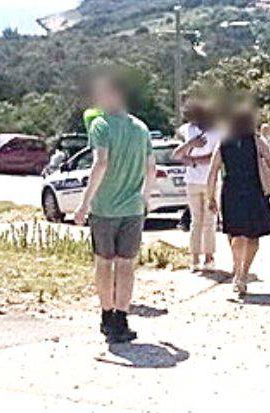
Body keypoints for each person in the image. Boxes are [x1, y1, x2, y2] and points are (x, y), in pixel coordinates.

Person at [73, 70, 155, 345]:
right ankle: (122, 318)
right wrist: (145, 197)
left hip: (105, 208)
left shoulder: (101, 125)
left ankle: (107, 316)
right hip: (132, 208)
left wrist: (84, 203)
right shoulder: (141, 128)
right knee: (126, 266)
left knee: (103, 264)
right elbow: (151, 167)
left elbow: (101, 162)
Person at [206, 105, 270, 301]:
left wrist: (210, 196)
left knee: (235, 233)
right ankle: (243, 273)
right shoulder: (257, 141)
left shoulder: (224, 141)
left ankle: (238, 271)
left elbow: (213, 171)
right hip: (254, 190)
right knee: (253, 235)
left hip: (231, 191)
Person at [172, 99, 220, 273]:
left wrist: (192, 160)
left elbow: (214, 158)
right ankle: (199, 258)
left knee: (204, 221)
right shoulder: (193, 131)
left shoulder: (213, 132)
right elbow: (176, 154)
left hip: (206, 180)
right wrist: (191, 145)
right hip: (201, 180)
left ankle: (203, 258)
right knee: (200, 221)